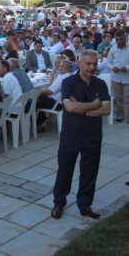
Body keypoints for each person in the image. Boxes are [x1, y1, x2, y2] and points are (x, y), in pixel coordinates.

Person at [51, 50, 111, 221]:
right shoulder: (68, 82)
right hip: (71, 134)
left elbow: (106, 109)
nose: (92, 67)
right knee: (65, 170)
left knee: (89, 171)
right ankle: (59, 203)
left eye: (94, 64)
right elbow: (70, 107)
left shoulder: (100, 84)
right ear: (79, 64)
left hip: (93, 135)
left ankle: (85, 204)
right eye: (88, 64)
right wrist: (94, 104)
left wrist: (82, 109)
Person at [37, 59, 73, 129]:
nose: (60, 68)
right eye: (60, 66)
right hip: (60, 101)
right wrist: (53, 72)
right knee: (38, 99)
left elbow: (50, 91)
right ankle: (41, 121)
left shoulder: (64, 77)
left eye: (63, 67)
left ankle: (40, 122)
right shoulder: (66, 75)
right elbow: (51, 84)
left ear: (69, 69)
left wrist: (37, 92)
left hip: (56, 103)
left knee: (31, 102)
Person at [107, 30, 129, 124]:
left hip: (127, 77)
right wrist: (113, 67)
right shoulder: (113, 49)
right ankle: (120, 116)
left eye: (121, 39)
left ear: (125, 37)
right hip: (116, 77)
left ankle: (128, 118)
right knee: (118, 98)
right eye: (117, 39)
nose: (119, 41)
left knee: (127, 98)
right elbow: (108, 62)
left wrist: (127, 68)